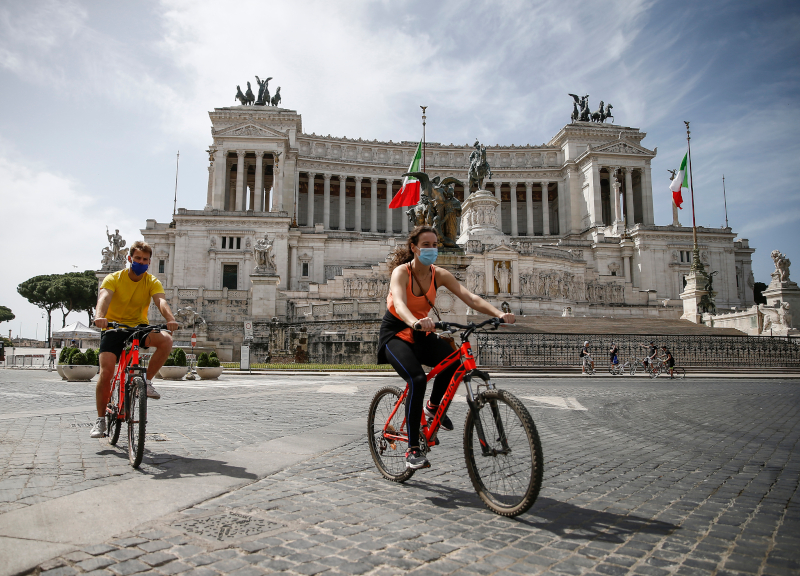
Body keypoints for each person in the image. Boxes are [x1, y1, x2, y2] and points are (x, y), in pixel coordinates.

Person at [377, 226, 515, 470]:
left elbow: (469, 297)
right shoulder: (401, 272)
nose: (432, 249)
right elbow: (398, 303)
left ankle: (431, 408)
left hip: (421, 331)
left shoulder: (438, 273)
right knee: (417, 379)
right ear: (414, 248)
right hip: (396, 333)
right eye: (426, 244)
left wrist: (499, 313)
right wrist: (415, 322)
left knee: (454, 360)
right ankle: (412, 449)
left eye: (435, 244)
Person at [90, 240, 179, 439]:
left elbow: (160, 301)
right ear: (129, 259)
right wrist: (99, 316)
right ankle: (101, 419)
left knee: (166, 341)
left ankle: (146, 381)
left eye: (145, 260)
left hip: (138, 326)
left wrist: (170, 319)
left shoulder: (152, 281)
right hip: (113, 326)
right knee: (107, 373)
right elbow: (104, 297)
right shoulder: (114, 278)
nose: (141, 262)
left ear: (149, 262)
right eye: (137, 258)